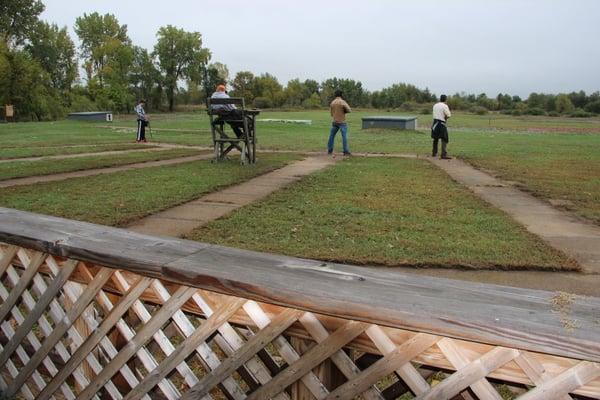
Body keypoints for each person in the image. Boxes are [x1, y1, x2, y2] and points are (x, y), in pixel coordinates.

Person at [328, 89, 352, 156]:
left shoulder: (332, 102)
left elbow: (331, 114)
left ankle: (330, 150)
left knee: (331, 136)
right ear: (341, 95)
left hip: (335, 121)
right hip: (342, 122)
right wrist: (344, 111)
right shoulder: (342, 102)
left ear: (335, 95)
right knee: (344, 136)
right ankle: (345, 151)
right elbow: (349, 110)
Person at [431, 94, 452, 159]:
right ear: (445, 99)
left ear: (440, 99)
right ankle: (443, 154)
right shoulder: (445, 106)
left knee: (435, 138)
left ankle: (434, 153)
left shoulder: (435, 105)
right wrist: (445, 119)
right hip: (441, 123)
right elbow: (448, 115)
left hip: (435, 123)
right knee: (444, 138)